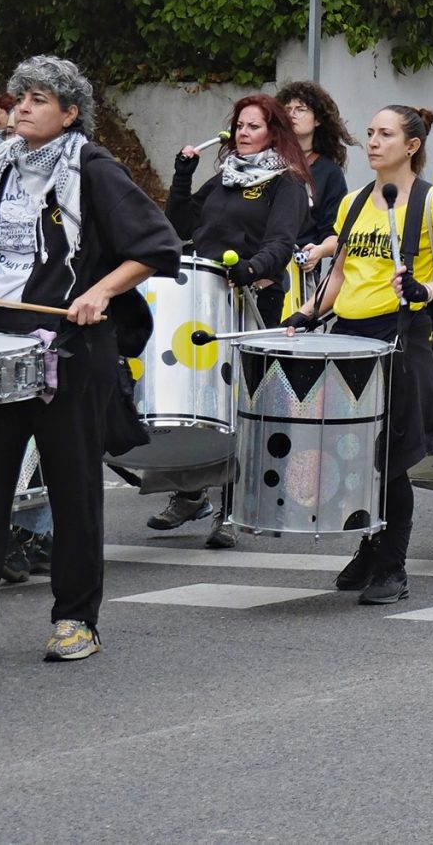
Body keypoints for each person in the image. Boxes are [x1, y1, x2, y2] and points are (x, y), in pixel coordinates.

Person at [0, 57, 179, 667]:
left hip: (70, 351)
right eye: (20, 98)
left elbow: (157, 245)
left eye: (39, 99)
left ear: (70, 112)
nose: (22, 107)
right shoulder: (0, 165)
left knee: (74, 487)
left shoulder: (92, 167)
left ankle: (75, 619)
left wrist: (100, 291)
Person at [286, 105, 433, 605]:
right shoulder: (353, 203)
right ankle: (371, 545)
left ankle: (392, 564)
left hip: (401, 338)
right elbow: (340, 274)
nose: (373, 142)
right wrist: (307, 313)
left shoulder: (430, 202)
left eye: (385, 135)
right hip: (351, 339)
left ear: (412, 145)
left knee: (391, 460)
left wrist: (428, 289)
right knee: (357, 455)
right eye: (371, 133)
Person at [149, 93, 311, 539]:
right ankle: (191, 493)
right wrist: (182, 179)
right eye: (239, 125)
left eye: (253, 126)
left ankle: (233, 509)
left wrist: (253, 268)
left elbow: (281, 243)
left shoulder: (287, 183)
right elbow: (180, 226)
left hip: (252, 297)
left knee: (241, 405)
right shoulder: (225, 177)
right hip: (203, 297)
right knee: (197, 399)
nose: (243, 133)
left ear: (273, 133)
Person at [276, 81, 354, 244]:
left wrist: (319, 251)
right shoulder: (265, 159)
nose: (292, 115)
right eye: (287, 109)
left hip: (299, 262)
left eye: (300, 109)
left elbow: (333, 230)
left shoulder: (329, 172)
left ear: (317, 120)